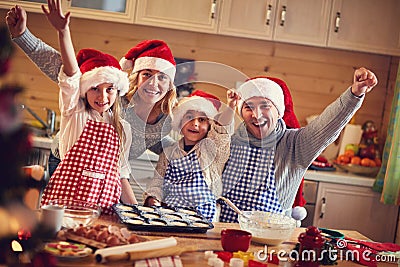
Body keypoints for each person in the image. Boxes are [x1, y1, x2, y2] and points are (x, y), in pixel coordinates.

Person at [5, 5, 177, 179]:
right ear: (135, 77)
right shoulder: (115, 92)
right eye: (147, 74)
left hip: (105, 172)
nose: (153, 83)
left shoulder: (166, 117)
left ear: (170, 84)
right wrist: (23, 36)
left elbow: (155, 142)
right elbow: (64, 69)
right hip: (67, 158)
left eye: (162, 77)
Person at [219, 67, 378, 222]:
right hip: (223, 235)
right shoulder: (230, 142)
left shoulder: (296, 145)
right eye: (249, 107)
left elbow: (328, 125)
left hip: (271, 240)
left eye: (265, 106)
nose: (256, 114)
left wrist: (354, 94)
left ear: (279, 111)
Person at [38, 0, 136, 213]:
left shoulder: (123, 129)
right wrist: (63, 32)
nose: (103, 96)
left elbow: (121, 174)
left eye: (109, 89)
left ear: (118, 91)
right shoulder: (75, 113)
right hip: (66, 208)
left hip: (105, 212)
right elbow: (71, 77)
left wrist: (137, 211)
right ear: (84, 91)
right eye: (94, 88)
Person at [144, 89, 238, 222]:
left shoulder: (212, 150)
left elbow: (222, 130)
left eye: (202, 119)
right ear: (179, 121)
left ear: (210, 125)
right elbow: (157, 183)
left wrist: (231, 107)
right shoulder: (168, 153)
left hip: (203, 218)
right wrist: (153, 199)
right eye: (189, 117)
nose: (195, 123)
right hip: (169, 214)